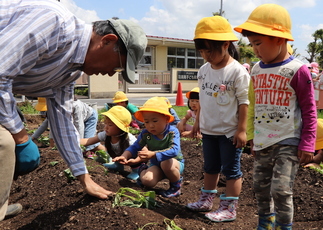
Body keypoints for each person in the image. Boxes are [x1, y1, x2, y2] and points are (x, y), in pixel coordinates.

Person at [0, 0, 147, 221]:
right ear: (107, 41)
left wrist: (84, 176)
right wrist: (21, 137)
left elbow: (63, 122)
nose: (110, 74)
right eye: (116, 66)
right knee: (5, 143)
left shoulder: (68, 72)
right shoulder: (52, 24)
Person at [234, 4, 317, 230]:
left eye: (258, 43)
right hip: (262, 141)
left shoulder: (298, 70)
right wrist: (251, 135)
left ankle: (284, 226)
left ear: (280, 39)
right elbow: (252, 105)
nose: (255, 50)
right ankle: (265, 223)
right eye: (252, 45)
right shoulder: (256, 71)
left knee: (281, 189)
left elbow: (309, 109)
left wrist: (308, 143)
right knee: (260, 188)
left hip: (288, 140)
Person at [186, 16, 250, 222]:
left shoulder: (237, 71)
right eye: (202, 52)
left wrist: (241, 130)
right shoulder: (204, 71)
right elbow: (203, 100)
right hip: (209, 129)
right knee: (210, 166)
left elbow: (244, 102)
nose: (206, 56)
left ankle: (229, 207)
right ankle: (206, 200)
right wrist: (197, 123)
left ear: (226, 45)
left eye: (210, 51)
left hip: (229, 131)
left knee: (231, 169)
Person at [113, 97, 185, 197]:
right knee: (147, 181)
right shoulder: (146, 133)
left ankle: (175, 187)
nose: (150, 125)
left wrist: (152, 154)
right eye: (146, 122)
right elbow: (135, 147)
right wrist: (124, 156)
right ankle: (142, 170)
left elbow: (174, 151)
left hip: (174, 164)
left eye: (155, 121)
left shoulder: (172, 132)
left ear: (166, 119)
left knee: (166, 162)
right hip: (156, 165)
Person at [80, 106, 140, 180]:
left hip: (133, 160)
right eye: (106, 124)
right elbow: (88, 141)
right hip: (118, 156)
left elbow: (142, 152)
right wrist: (74, 142)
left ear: (120, 127)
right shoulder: (105, 135)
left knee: (133, 154)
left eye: (110, 125)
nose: (106, 127)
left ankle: (137, 171)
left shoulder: (130, 140)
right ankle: (118, 165)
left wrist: (136, 161)